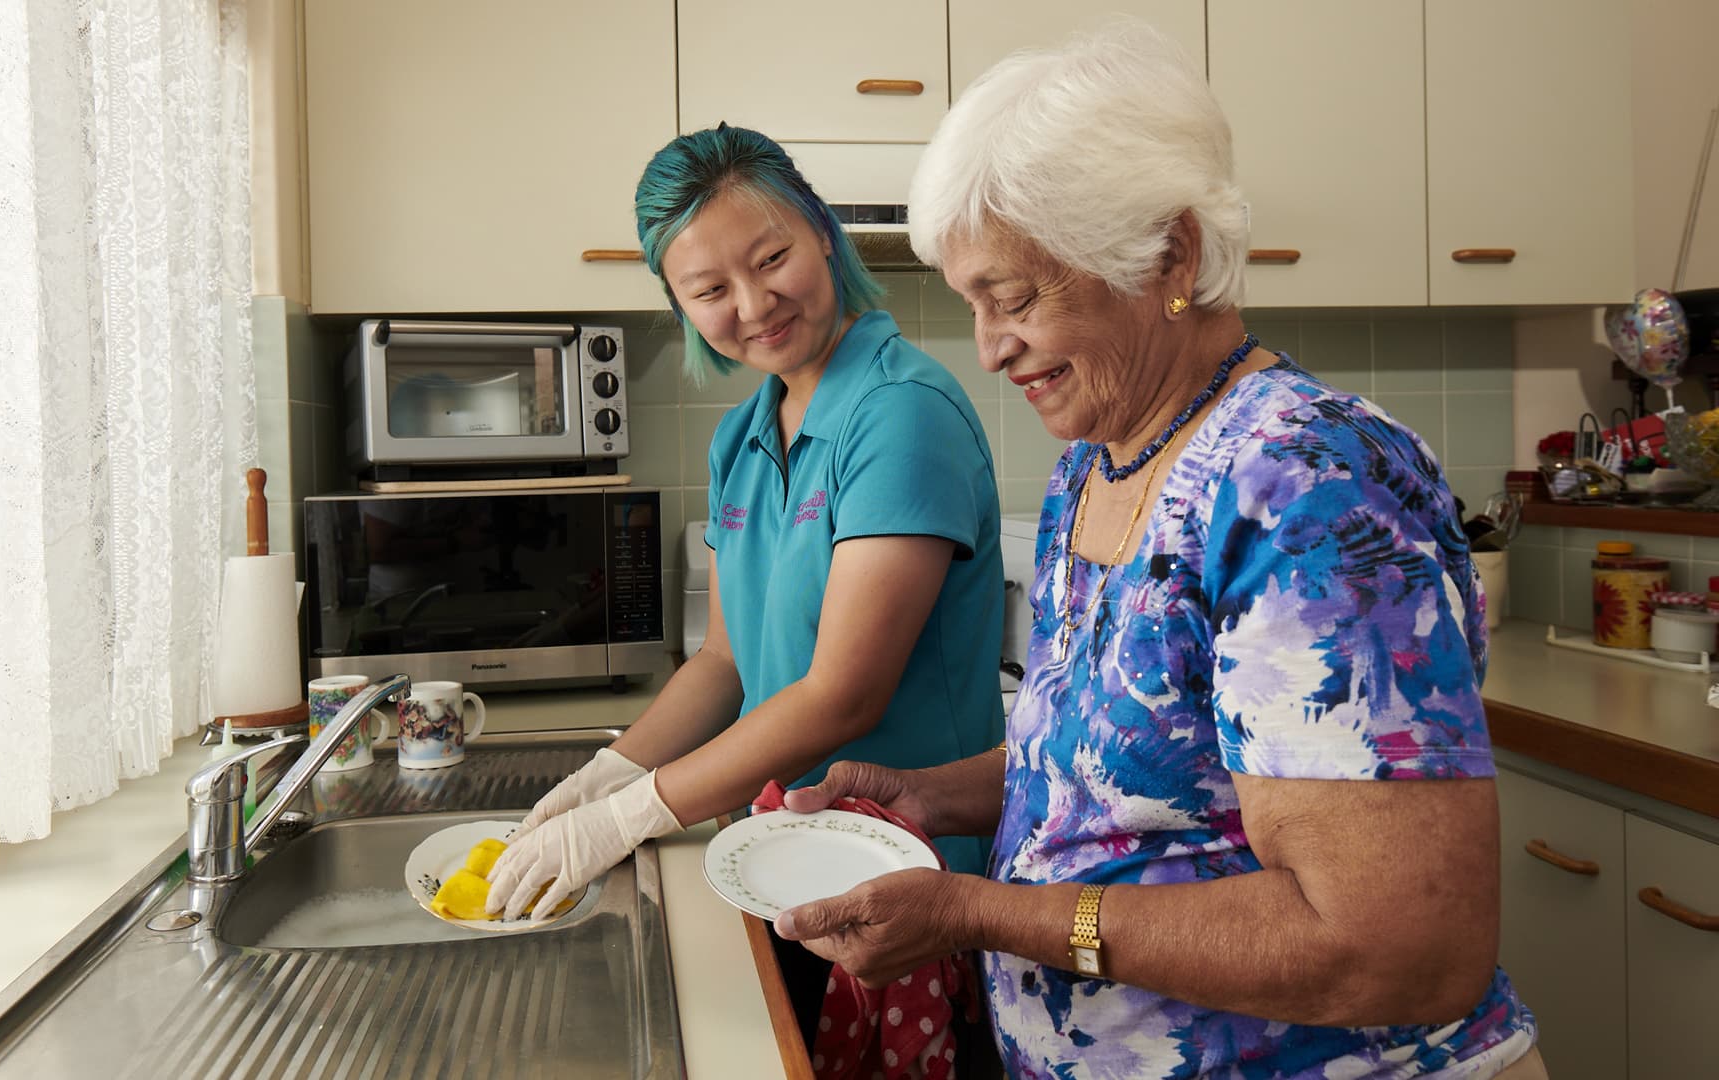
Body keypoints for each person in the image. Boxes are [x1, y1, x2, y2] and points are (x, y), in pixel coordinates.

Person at [769, 23, 1546, 1079]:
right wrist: (934, 799)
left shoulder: (1303, 482)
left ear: (1168, 256)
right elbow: (1132, 779)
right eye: (972, 307)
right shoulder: (1099, 463)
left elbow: (1400, 948)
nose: (991, 349)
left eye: (1015, 298)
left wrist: (982, 913)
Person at [484, 126, 1005, 928]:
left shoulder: (901, 414)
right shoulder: (742, 436)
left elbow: (842, 697)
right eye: (710, 289)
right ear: (681, 306)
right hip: (784, 850)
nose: (754, 306)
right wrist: (608, 772)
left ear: (823, 235)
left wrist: (630, 816)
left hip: (908, 868)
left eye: (770, 260)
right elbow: (723, 663)